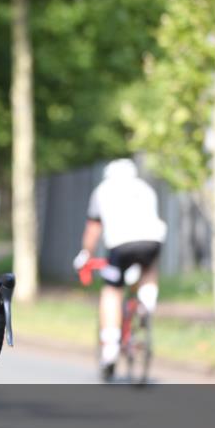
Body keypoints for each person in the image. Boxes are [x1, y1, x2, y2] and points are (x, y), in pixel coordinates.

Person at [73, 158, 167, 381]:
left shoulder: (102, 190)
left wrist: (86, 254)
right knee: (148, 269)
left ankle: (110, 347)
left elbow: (93, 230)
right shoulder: (145, 189)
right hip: (152, 241)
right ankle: (146, 303)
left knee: (112, 291)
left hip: (120, 244)